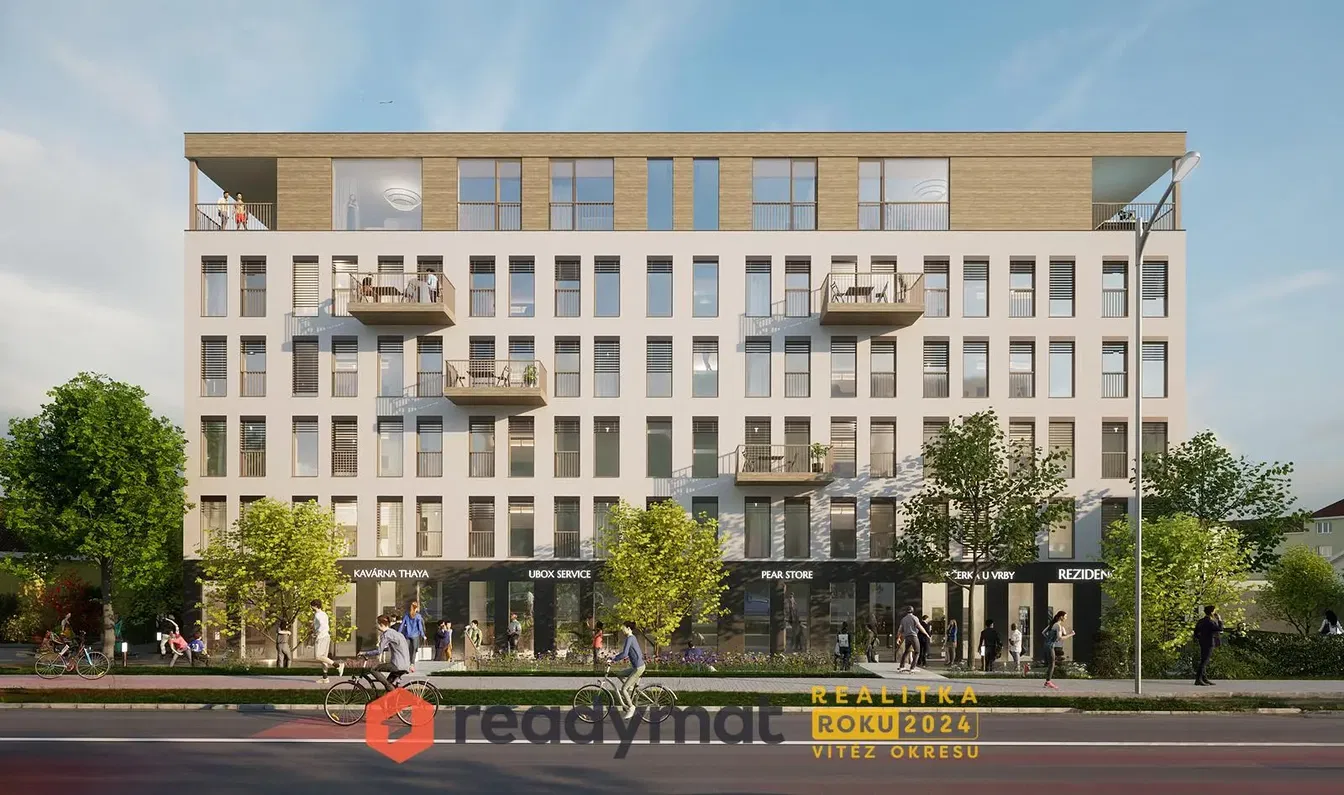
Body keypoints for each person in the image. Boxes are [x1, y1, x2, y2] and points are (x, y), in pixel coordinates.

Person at [361, 615, 412, 693]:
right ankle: (392, 700)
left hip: (397, 665)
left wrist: (365, 653)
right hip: (405, 665)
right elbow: (394, 647)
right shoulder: (397, 633)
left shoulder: (386, 635)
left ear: (381, 624)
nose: (375, 626)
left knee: (373, 669)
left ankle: (390, 687)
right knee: (388, 686)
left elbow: (379, 651)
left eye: (376, 624)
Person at [608, 622, 646, 720]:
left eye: (623, 628)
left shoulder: (630, 638)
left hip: (638, 668)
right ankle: (630, 687)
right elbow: (626, 653)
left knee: (623, 689)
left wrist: (613, 659)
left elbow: (625, 654)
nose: (622, 629)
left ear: (628, 628)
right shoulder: (631, 638)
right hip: (636, 667)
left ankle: (631, 707)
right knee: (619, 674)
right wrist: (614, 657)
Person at [1042, 610, 1074, 689]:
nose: (1066, 618)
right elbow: (1060, 638)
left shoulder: (1053, 624)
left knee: (1049, 663)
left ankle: (1047, 681)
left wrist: (1050, 639)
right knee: (1052, 664)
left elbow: (1043, 632)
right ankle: (1048, 682)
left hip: (1046, 645)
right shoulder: (1058, 626)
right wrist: (1071, 634)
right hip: (1050, 646)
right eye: (1065, 616)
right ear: (1061, 617)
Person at [1193, 605, 1224, 686]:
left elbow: (1195, 632)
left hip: (1203, 642)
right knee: (1204, 661)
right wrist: (1220, 620)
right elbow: (1220, 629)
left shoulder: (1201, 621)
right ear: (1211, 612)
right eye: (1214, 611)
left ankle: (1204, 678)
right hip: (1209, 642)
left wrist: (1200, 638)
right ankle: (1198, 679)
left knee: (1204, 660)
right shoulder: (1210, 622)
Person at [311, 599, 340, 683]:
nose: (311, 608)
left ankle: (337, 665)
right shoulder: (324, 614)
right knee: (324, 658)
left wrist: (317, 634)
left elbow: (322, 625)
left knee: (318, 656)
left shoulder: (317, 615)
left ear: (315, 606)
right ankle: (325, 678)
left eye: (312, 606)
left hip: (321, 637)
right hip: (326, 636)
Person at [897, 607, 928, 672]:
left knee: (906, 651)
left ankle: (901, 666)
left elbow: (900, 629)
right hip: (913, 636)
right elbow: (920, 627)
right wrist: (926, 633)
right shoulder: (914, 618)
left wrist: (898, 637)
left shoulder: (903, 619)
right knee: (917, 652)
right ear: (912, 611)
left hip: (907, 637)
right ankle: (912, 668)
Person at [401, 602, 425, 672]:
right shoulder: (418, 616)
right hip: (415, 635)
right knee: (414, 650)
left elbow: (402, 625)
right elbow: (420, 627)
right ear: (416, 608)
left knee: (407, 650)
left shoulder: (406, 615)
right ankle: (412, 664)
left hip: (407, 635)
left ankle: (406, 663)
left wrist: (398, 633)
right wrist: (423, 635)